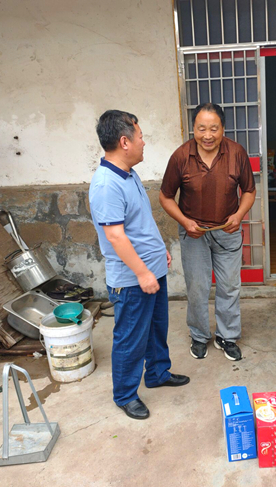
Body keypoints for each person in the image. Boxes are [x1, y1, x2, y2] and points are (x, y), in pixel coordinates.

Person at [89, 110, 190, 421]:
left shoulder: (128, 174)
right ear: (124, 142)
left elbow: (140, 220)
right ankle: (125, 395)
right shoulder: (106, 184)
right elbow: (115, 236)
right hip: (133, 279)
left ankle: (158, 373)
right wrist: (143, 272)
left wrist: (159, 251)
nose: (144, 142)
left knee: (157, 328)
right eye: (141, 136)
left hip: (151, 270)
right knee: (130, 338)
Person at [159, 103, 256, 362]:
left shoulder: (236, 153)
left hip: (228, 230)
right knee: (197, 287)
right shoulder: (180, 156)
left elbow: (249, 191)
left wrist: (239, 215)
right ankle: (200, 335)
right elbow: (165, 197)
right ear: (193, 128)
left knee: (229, 286)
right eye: (201, 129)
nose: (208, 135)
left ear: (223, 128)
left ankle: (227, 337)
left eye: (214, 128)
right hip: (194, 234)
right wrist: (185, 221)